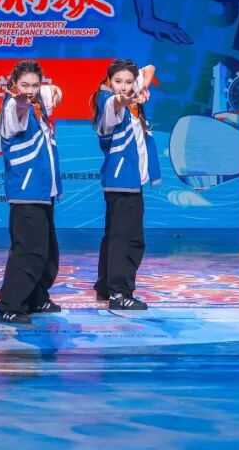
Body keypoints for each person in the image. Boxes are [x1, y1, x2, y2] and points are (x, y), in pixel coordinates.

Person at [0, 61, 64, 324]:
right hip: (26, 191)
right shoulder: (12, 107)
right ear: (14, 84)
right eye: (24, 85)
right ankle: (9, 305)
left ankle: (36, 297)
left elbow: (55, 92)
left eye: (35, 85)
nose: (30, 90)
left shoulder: (38, 106)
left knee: (47, 250)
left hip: (43, 192)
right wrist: (21, 101)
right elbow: (18, 109)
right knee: (28, 251)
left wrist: (52, 91)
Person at [91, 59, 160, 309]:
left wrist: (140, 88)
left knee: (115, 237)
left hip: (128, 181)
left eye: (128, 81)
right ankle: (119, 293)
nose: (123, 86)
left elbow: (150, 68)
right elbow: (116, 102)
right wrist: (126, 96)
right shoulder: (108, 101)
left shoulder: (131, 94)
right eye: (117, 81)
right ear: (108, 82)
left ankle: (105, 287)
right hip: (123, 180)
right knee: (128, 240)